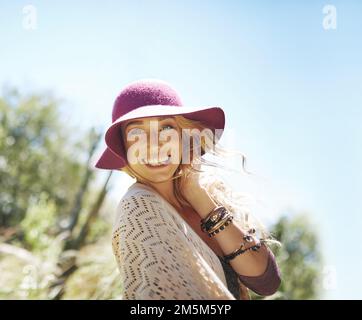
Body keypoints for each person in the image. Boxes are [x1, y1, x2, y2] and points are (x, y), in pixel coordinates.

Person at [95, 79, 281, 300]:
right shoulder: (139, 207)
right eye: (137, 133)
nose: (154, 144)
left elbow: (267, 281)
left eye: (166, 128)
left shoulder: (208, 194)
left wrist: (196, 193)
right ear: (125, 148)